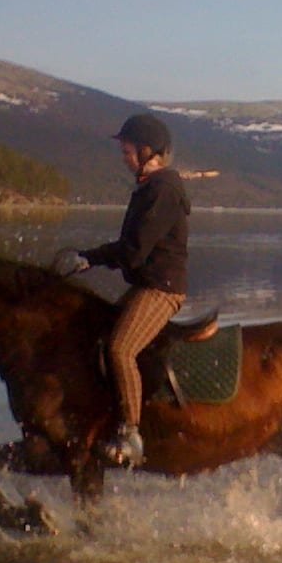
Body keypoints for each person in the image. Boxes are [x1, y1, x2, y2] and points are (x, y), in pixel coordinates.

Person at [63, 112, 190, 467]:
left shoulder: (163, 190)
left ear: (147, 150)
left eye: (127, 149)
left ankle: (131, 434)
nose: (123, 156)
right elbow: (130, 247)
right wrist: (92, 257)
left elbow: (134, 250)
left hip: (161, 290)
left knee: (120, 348)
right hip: (146, 285)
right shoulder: (152, 187)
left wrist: (92, 258)